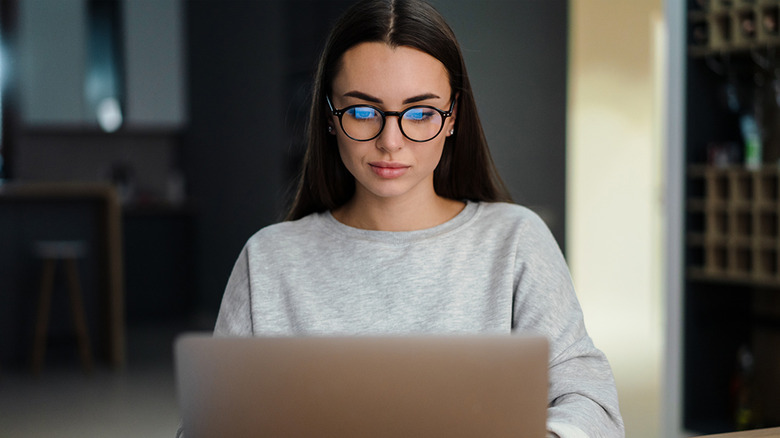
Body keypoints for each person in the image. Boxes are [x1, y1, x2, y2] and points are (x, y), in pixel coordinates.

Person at [214, 0, 625, 436]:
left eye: (421, 113)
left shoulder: (516, 240)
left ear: (453, 118)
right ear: (330, 118)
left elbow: (591, 403)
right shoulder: (268, 260)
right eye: (362, 111)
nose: (391, 141)